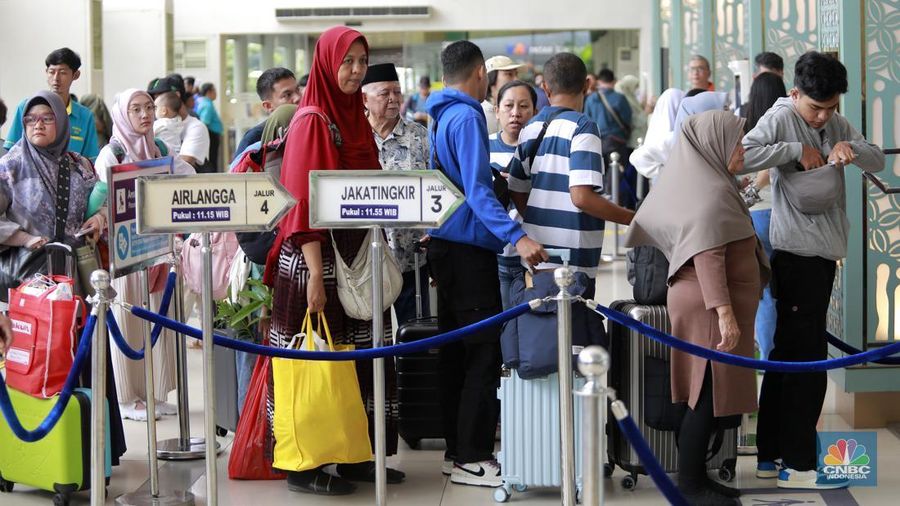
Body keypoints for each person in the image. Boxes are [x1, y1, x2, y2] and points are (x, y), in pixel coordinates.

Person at [267, 26, 404, 495]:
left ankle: (353, 455)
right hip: (316, 258)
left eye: (362, 62)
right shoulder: (312, 120)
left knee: (356, 358)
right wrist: (314, 276)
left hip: (353, 255)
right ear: (326, 63)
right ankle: (304, 465)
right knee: (316, 359)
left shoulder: (353, 116)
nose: (356, 71)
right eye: (347, 62)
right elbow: (303, 201)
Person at [743, 51, 884, 490]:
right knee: (807, 363)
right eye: (815, 108)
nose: (823, 117)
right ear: (795, 92)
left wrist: (852, 148)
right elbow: (741, 154)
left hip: (819, 258)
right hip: (797, 257)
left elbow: (877, 160)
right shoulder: (783, 116)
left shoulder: (835, 122)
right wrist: (794, 149)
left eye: (831, 108)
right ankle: (800, 464)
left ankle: (771, 456)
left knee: (787, 357)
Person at [625, 110, 769, 505]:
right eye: (736, 142)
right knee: (705, 394)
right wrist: (724, 313)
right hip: (708, 304)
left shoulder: (707, 180)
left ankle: (697, 477)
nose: (742, 149)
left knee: (703, 392)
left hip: (700, 299)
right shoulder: (710, 191)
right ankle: (689, 483)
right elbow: (708, 254)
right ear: (715, 145)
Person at [425, 40, 547, 487]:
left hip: (445, 246)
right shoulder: (467, 116)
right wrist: (518, 236)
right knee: (482, 351)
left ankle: (456, 450)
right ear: (480, 72)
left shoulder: (440, 115)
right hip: (468, 249)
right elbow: (477, 191)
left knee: (456, 350)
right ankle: (472, 455)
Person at [0, 90, 128, 465]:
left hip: (76, 275)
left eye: (46, 118)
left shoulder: (79, 165)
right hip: (28, 281)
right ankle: (32, 453)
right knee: (32, 361)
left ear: (62, 123)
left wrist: (100, 218)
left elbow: (103, 200)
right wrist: (25, 238)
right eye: (30, 120)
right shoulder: (10, 167)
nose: (38, 125)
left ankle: (88, 453)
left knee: (83, 354)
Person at [96, 89, 194, 422]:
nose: (145, 114)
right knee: (129, 322)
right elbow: (104, 199)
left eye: (149, 108)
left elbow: (187, 178)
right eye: (136, 109)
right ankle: (127, 397)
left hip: (158, 248)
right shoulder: (112, 153)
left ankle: (154, 392)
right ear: (123, 115)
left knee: (158, 320)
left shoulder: (160, 148)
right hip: (125, 253)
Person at [508, 53, 634, 285]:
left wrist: (539, 217)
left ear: (545, 88)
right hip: (575, 257)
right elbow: (582, 197)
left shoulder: (530, 128)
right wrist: (631, 219)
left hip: (537, 252)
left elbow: (515, 188)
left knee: (542, 317)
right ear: (587, 85)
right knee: (574, 318)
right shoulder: (583, 127)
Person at [361, 63, 431, 324]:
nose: (394, 99)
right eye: (385, 93)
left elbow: (437, 186)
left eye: (397, 92)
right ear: (364, 99)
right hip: (366, 263)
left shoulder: (419, 136)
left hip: (411, 257)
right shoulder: (354, 139)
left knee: (412, 334)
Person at [740, 72, 786, 360]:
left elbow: (760, 174)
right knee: (787, 290)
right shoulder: (787, 124)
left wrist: (749, 195)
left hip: (758, 216)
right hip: (786, 213)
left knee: (765, 291)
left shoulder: (749, 128)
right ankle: (782, 356)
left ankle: (768, 357)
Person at [488, 80, 537, 309]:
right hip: (495, 257)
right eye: (508, 106)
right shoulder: (483, 147)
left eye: (524, 106)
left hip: (536, 256)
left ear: (535, 112)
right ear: (497, 111)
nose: (515, 113)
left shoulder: (543, 149)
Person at [3, 48, 100, 161]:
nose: (56, 78)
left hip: (69, 176)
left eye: (63, 73)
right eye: (52, 72)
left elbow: (90, 161)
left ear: (76, 75)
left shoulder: (85, 116)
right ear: (46, 72)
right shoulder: (26, 108)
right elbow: (11, 152)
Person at [232, 67, 302, 161]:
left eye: (298, 90)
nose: (298, 98)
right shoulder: (255, 138)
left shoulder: (310, 125)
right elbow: (238, 174)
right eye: (287, 95)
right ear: (268, 106)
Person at [584, 69, 632, 193]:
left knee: (600, 172)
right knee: (617, 171)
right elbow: (627, 118)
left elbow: (587, 119)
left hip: (597, 141)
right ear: (614, 81)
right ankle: (612, 196)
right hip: (616, 140)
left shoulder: (590, 99)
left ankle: (602, 196)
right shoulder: (620, 98)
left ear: (599, 81)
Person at [148, 76, 210, 169]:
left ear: (176, 95)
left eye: (159, 97)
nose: (154, 102)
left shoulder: (196, 127)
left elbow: (183, 164)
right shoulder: (158, 123)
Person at [630, 87, 685, 180]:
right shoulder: (678, 135)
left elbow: (637, 159)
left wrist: (663, 171)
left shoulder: (661, 134)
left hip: (664, 183)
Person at [482, 55, 525, 134]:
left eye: (516, 74)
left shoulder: (519, 112)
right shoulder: (479, 114)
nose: (516, 79)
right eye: (509, 74)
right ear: (491, 79)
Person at [615, 75, 648, 150]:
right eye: (635, 86)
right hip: (634, 139)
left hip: (639, 136)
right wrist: (646, 112)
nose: (636, 88)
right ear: (629, 86)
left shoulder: (631, 97)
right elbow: (634, 121)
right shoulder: (625, 100)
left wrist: (641, 107)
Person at [195, 82, 223, 172]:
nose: (216, 93)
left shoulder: (203, 102)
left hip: (211, 134)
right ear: (209, 92)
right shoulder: (207, 105)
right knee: (212, 157)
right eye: (214, 90)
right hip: (211, 134)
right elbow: (205, 122)